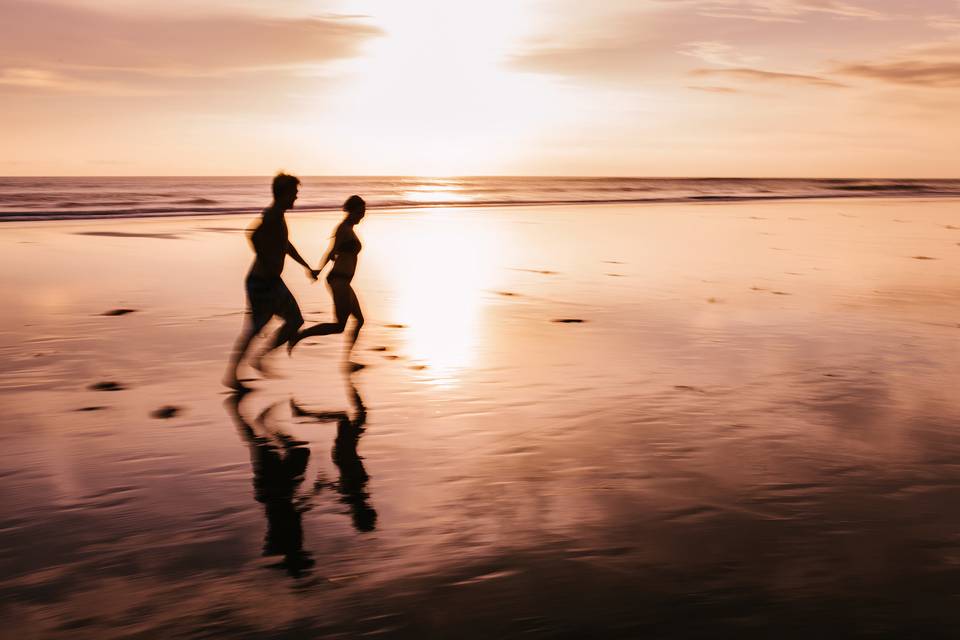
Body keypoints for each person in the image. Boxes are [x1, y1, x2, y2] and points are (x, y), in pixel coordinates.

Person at [224, 173, 318, 390]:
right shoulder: (273, 214)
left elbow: (286, 245)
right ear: (283, 194)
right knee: (271, 324)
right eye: (294, 193)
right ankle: (246, 367)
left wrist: (306, 266)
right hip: (262, 281)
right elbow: (252, 234)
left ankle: (253, 362)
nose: (296, 197)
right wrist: (266, 259)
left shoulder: (279, 215)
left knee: (289, 321)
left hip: (269, 281)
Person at [289, 195, 366, 369]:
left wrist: (324, 266)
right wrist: (319, 269)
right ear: (352, 210)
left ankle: (347, 360)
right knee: (339, 325)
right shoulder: (343, 229)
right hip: (338, 280)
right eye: (361, 211)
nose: (363, 215)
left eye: (364, 211)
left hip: (344, 282)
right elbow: (331, 252)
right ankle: (299, 336)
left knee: (359, 320)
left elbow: (335, 254)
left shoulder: (349, 229)